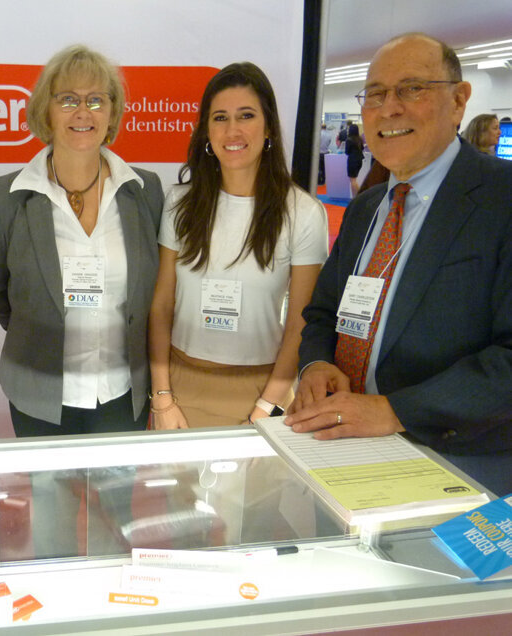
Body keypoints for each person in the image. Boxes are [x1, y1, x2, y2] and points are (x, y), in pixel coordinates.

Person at [287, 33, 512, 496]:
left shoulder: (501, 199)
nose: (389, 108)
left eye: (412, 88)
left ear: (458, 100)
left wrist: (396, 410)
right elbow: (322, 312)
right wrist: (315, 364)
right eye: (376, 93)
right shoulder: (367, 209)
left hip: (462, 465)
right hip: (347, 449)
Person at [0, 44, 163, 437]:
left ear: (112, 111)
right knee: (49, 500)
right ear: (46, 109)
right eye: (68, 99)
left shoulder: (145, 191)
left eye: (96, 99)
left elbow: (156, 288)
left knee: (116, 499)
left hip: (121, 392)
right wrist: (41, 327)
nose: (83, 111)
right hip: (39, 393)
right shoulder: (4, 198)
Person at [147, 62, 328, 429]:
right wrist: (162, 396)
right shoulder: (179, 203)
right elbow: (162, 305)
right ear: (206, 131)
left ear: (268, 127)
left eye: (246, 115)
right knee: (178, 489)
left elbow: (300, 324)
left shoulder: (303, 212)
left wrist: (266, 407)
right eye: (220, 118)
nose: (232, 130)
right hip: (181, 390)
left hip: (263, 391)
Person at [345, 123, 364, 196]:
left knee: (353, 181)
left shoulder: (349, 140)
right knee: (354, 180)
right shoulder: (359, 139)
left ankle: (356, 197)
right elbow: (362, 148)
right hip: (359, 160)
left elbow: (347, 152)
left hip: (352, 160)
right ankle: (358, 196)